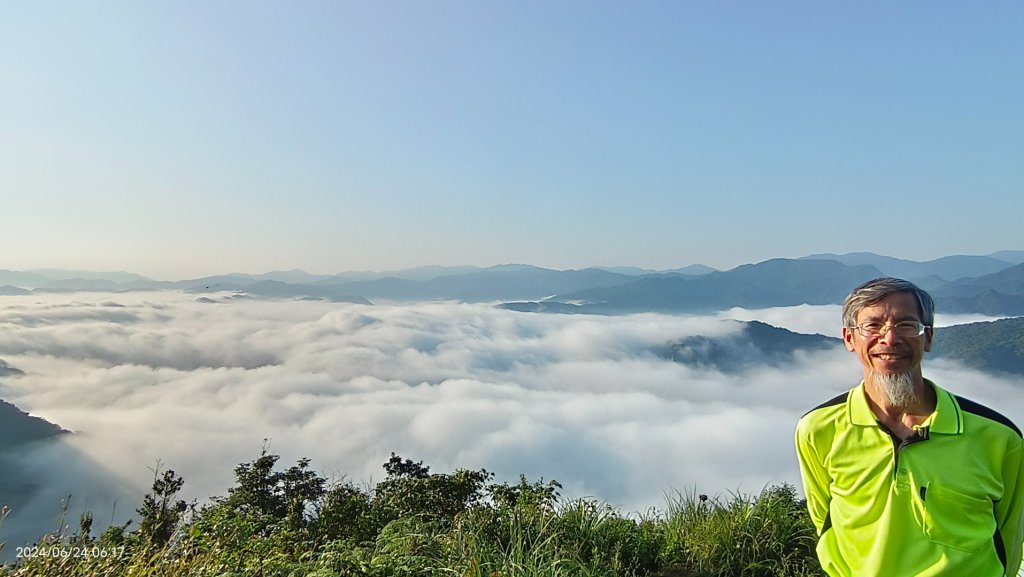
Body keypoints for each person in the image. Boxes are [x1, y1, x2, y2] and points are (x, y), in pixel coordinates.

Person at [795, 277, 1024, 576]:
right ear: (849, 339)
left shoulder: (998, 437)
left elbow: (1009, 539)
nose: (889, 339)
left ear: (927, 337)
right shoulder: (818, 429)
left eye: (906, 325)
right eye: (872, 326)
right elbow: (826, 524)